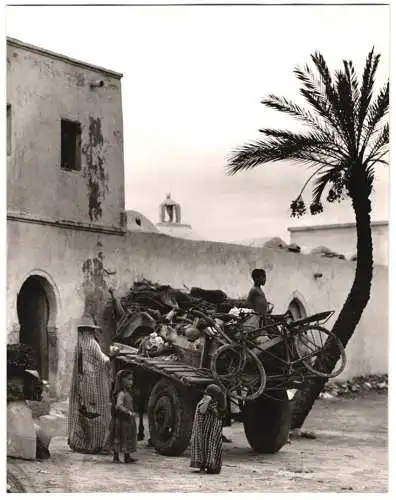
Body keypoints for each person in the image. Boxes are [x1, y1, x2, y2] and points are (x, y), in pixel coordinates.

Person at [68, 314, 111, 454]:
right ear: (89, 330)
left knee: (82, 412)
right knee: (96, 413)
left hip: (80, 384)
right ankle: (95, 444)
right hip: (93, 385)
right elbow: (102, 360)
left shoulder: (78, 345)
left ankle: (79, 442)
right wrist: (111, 357)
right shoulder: (92, 344)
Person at [190, 384, 226, 474]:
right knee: (204, 446)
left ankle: (212, 466)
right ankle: (204, 465)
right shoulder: (205, 401)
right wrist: (208, 401)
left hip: (213, 429)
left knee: (212, 446)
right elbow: (201, 411)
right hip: (204, 429)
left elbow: (221, 413)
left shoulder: (217, 402)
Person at [107, 370, 137, 463]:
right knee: (119, 437)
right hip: (122, 420)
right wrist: (128, 412)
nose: (131, 382)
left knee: (127, 437)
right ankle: (116, 457)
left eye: (131, 379)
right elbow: (118, 406)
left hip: (127, 420)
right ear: (122, 381)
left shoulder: (127, 392)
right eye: (128, 379)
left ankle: (127, 456)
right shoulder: (121, 393)